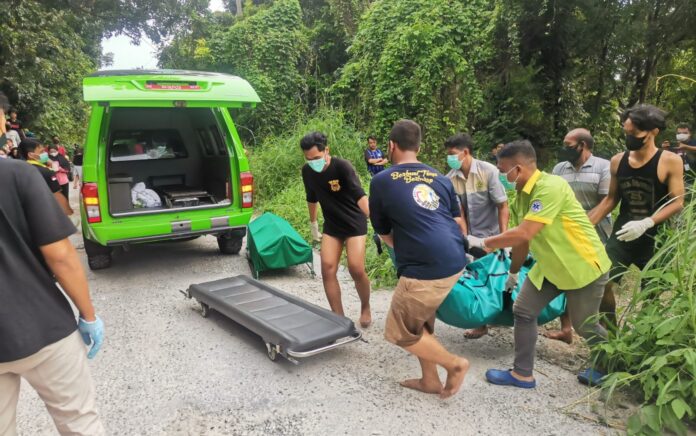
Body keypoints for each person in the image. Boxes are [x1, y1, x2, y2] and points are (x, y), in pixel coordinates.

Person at [0, 93, 105, 435]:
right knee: (79, 422)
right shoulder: (18, 175)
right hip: (43, 329)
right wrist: (89, 315)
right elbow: (61, 256)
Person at [467, 140, 612, 388]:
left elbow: (524, 232)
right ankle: (522, 374)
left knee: (584, 324)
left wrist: (484, 242)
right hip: (550, 267)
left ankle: (610, 366)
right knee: (523, 310)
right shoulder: (521, 198)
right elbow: (523, 241)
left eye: (503, 172)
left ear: (519, 169)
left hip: (582, 265)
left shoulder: (551, 186)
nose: (502, 177)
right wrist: (512, 273)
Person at [370, 119, 469, 399]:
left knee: (399, 332)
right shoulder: (440, 177)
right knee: (420, 321)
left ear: (390, 146)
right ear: (419, 147)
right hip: (453, 256)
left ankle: (454, 365)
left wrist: (407, 250)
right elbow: (459, 224)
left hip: (425, 265)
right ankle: (430, 380)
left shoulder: (381, 181)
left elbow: (384, 233)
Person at [588, 104, 685, 326]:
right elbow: (611, 199)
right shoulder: (617, 161)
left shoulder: (670, 161)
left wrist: (647, 222)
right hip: (623, 233)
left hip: (658, 237)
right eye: (627, 132)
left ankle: (642, 343)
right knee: (601, 282)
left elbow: (678, 201)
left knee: (651, 293)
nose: (629, 137)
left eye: (635, 133)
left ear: (653, 132)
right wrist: (583, 225)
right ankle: (611, 344)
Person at [545, 128, 612, 344]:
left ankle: (611, 332)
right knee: (566, 279)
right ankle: (567, 329)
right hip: (565, 237)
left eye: (568, 145)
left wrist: (583, 225)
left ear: (582, 145)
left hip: (596, 237)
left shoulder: (603, 167)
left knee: (603, 287)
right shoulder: (559, 169)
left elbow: (607, 201)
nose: (565, 149)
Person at [300, 132, 372, 327]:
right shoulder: (307, 171)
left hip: (354, 223)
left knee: (356, 269)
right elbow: (311, 198)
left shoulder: (342, 167)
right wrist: (313, 224)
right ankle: (339, 318)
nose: (312, 162)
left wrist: (374, 218)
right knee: (327, 268)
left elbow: (360, 196)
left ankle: (365, 307)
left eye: (315, 158)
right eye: (308, 159)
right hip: (332, 225)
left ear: (326, 151)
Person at [444, 133, 509, 339]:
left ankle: (505, 316)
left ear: (465, 152)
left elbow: (502, 205)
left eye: (453, 154)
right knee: (476, 280)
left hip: (491, 236)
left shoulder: (487, 171)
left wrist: (503, 238)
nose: (450, 158)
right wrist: (465, 241)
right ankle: (481, 324)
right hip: (469, 237)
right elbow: (458, 213)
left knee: (499, 278)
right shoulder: (450, 178)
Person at [18, 139, 73, 216]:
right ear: (31, 155)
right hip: (45, 213)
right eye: (41, 152)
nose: (45, 154)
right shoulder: (45, 172)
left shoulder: (19, 169)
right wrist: (68, 213)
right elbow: (58, 197)